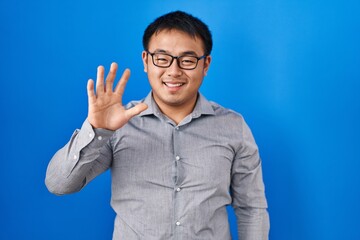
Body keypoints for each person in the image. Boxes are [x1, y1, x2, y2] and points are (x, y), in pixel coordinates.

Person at [45, 10, 270, 240]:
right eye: (162, 58)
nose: (174, 71)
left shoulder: (232, 126)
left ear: (205, 64)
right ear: (146, 61)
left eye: (188, 60)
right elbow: (58, 184)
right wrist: (96, 131)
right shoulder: (120, 124)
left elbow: (251, 209)